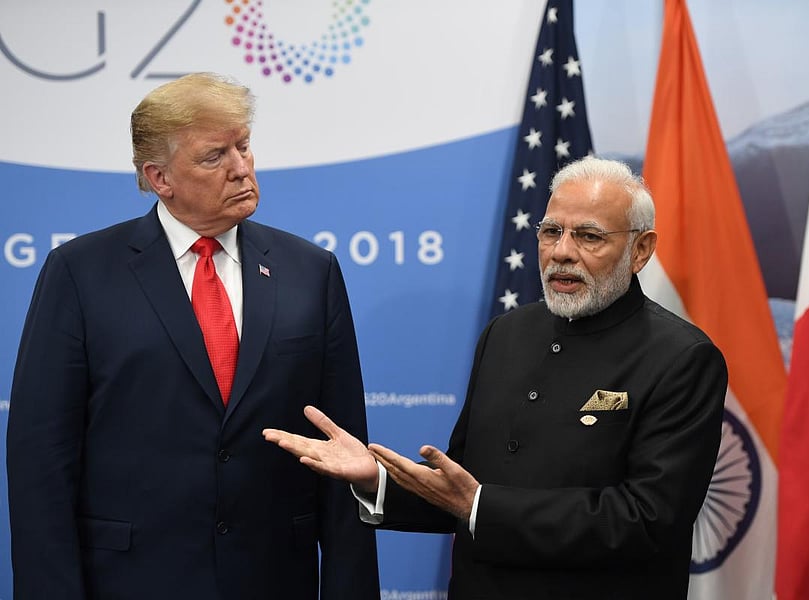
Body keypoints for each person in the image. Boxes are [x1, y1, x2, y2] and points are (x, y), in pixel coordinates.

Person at [264, 156, 728, 599]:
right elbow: (462, 486)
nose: (562, 253)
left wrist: (482, 507)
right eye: (551, 232)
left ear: (640, 250)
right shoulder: (506, 334)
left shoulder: (683, 358)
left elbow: (648, 519)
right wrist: (377, 479)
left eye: (588, 236)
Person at [6, 72, 379, 600]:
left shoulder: (310, 272)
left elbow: (343, 454)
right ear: (160, 178)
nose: (241, 168)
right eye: (215, 156)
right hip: (131, 581)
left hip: (272, 578)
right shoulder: (80, 273)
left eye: (244, 146)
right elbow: (41, 462)